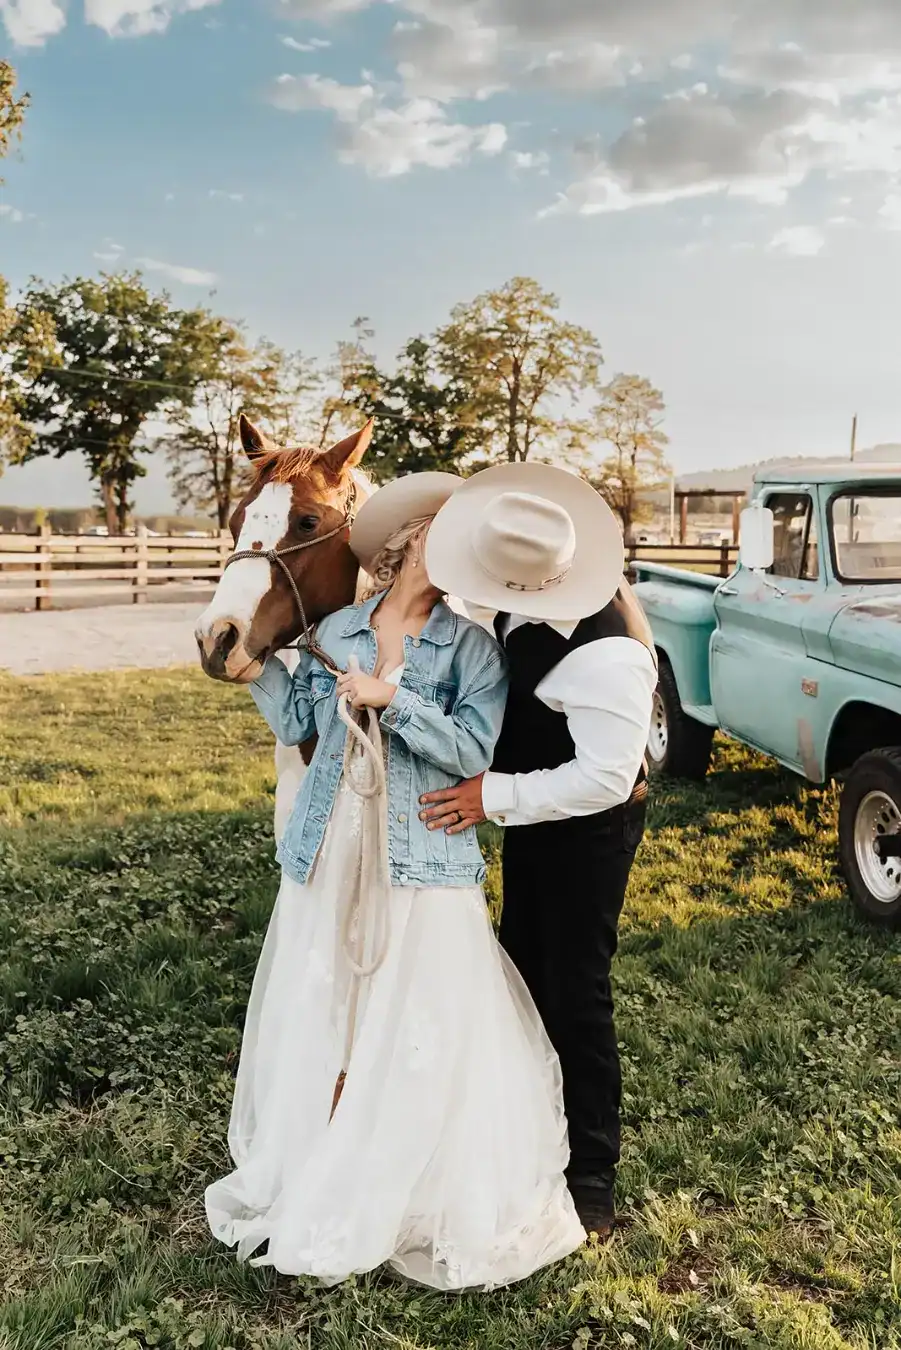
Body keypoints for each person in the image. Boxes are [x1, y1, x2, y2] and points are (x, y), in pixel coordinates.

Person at [205, 470, 585, 1290]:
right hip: (332, 842)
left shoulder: (472, 651)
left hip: (417, 855)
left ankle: (404, 1169)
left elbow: (470, 751)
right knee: (327, 996)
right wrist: (258, 670)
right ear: (411, 544)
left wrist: (393, 700)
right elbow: (299, 721)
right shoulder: (338, 629)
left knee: (418, 1012)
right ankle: (320, 1148)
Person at [420, 463, 656, 1240]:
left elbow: (605, 778)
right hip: (531, 814)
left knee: (575, 987)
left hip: (589, 829)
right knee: (521, 962)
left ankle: (590, 1174)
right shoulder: (524, 596)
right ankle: (525, 1127)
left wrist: (491, 797)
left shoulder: (607, 654)